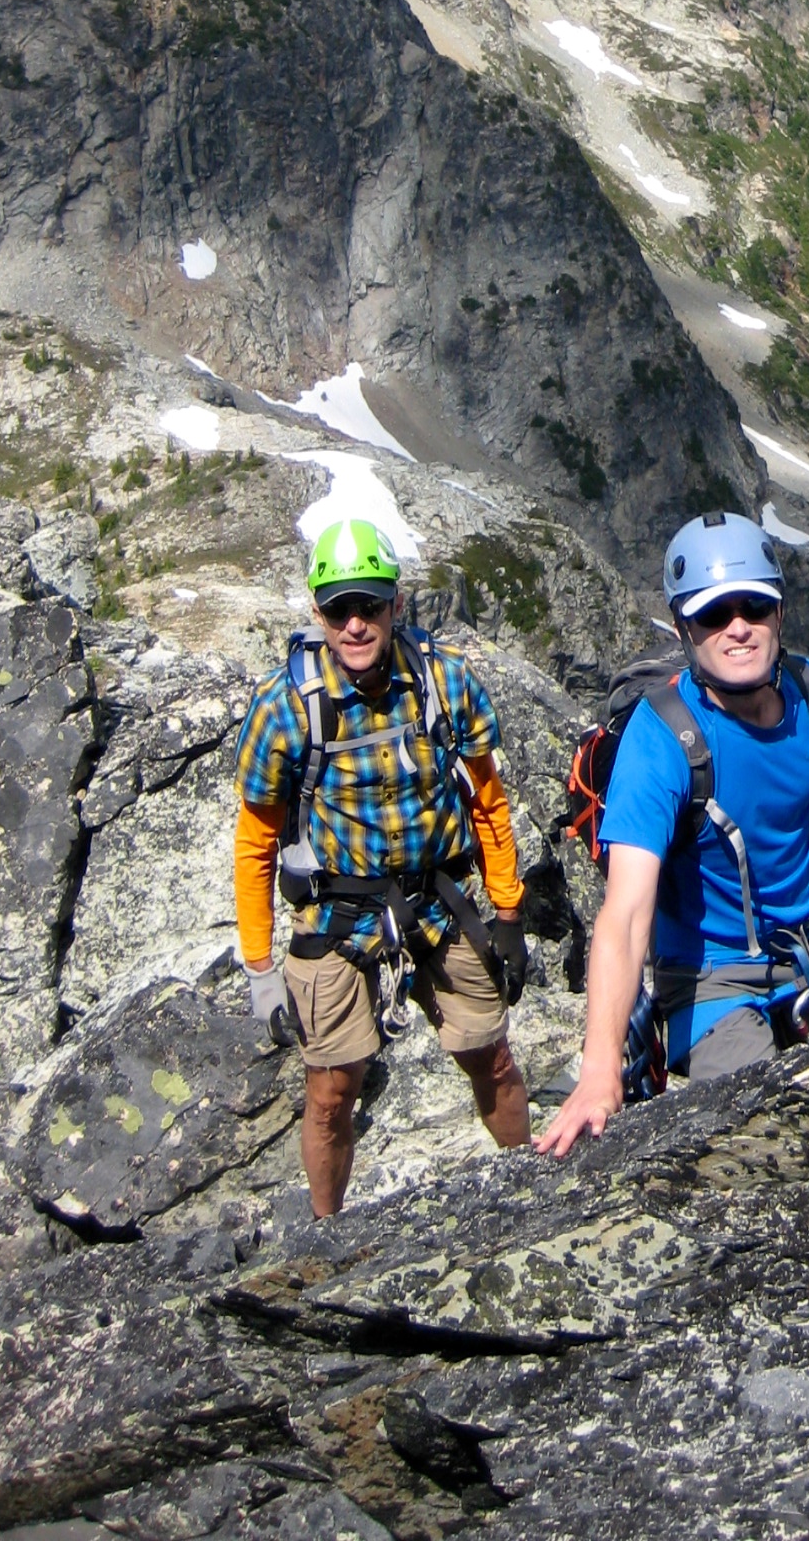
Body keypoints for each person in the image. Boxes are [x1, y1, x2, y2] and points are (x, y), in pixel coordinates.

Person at [539, 510, 809, 1160]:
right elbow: (625, 913)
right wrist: (597, 1075)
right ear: (682, 628)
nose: (737, 626)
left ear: (779, 613)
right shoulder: (660, 740)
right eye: (712, 614)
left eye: (754, 606)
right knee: (775, 1145)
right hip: (709, 982)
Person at [233, 518, 532, 1214]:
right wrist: (258, 968)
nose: (356, 624)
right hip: (337, 917)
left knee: (490, 1055)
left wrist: (509, 913)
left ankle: (532, 1192)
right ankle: (325, 1234)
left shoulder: (444, 682)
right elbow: (254, 845)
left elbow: (488, 802)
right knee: (331, 1092)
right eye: (340, 608)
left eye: (370, 604)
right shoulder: (284, 709)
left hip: (436, 902)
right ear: (318, 611)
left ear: (396, 603)